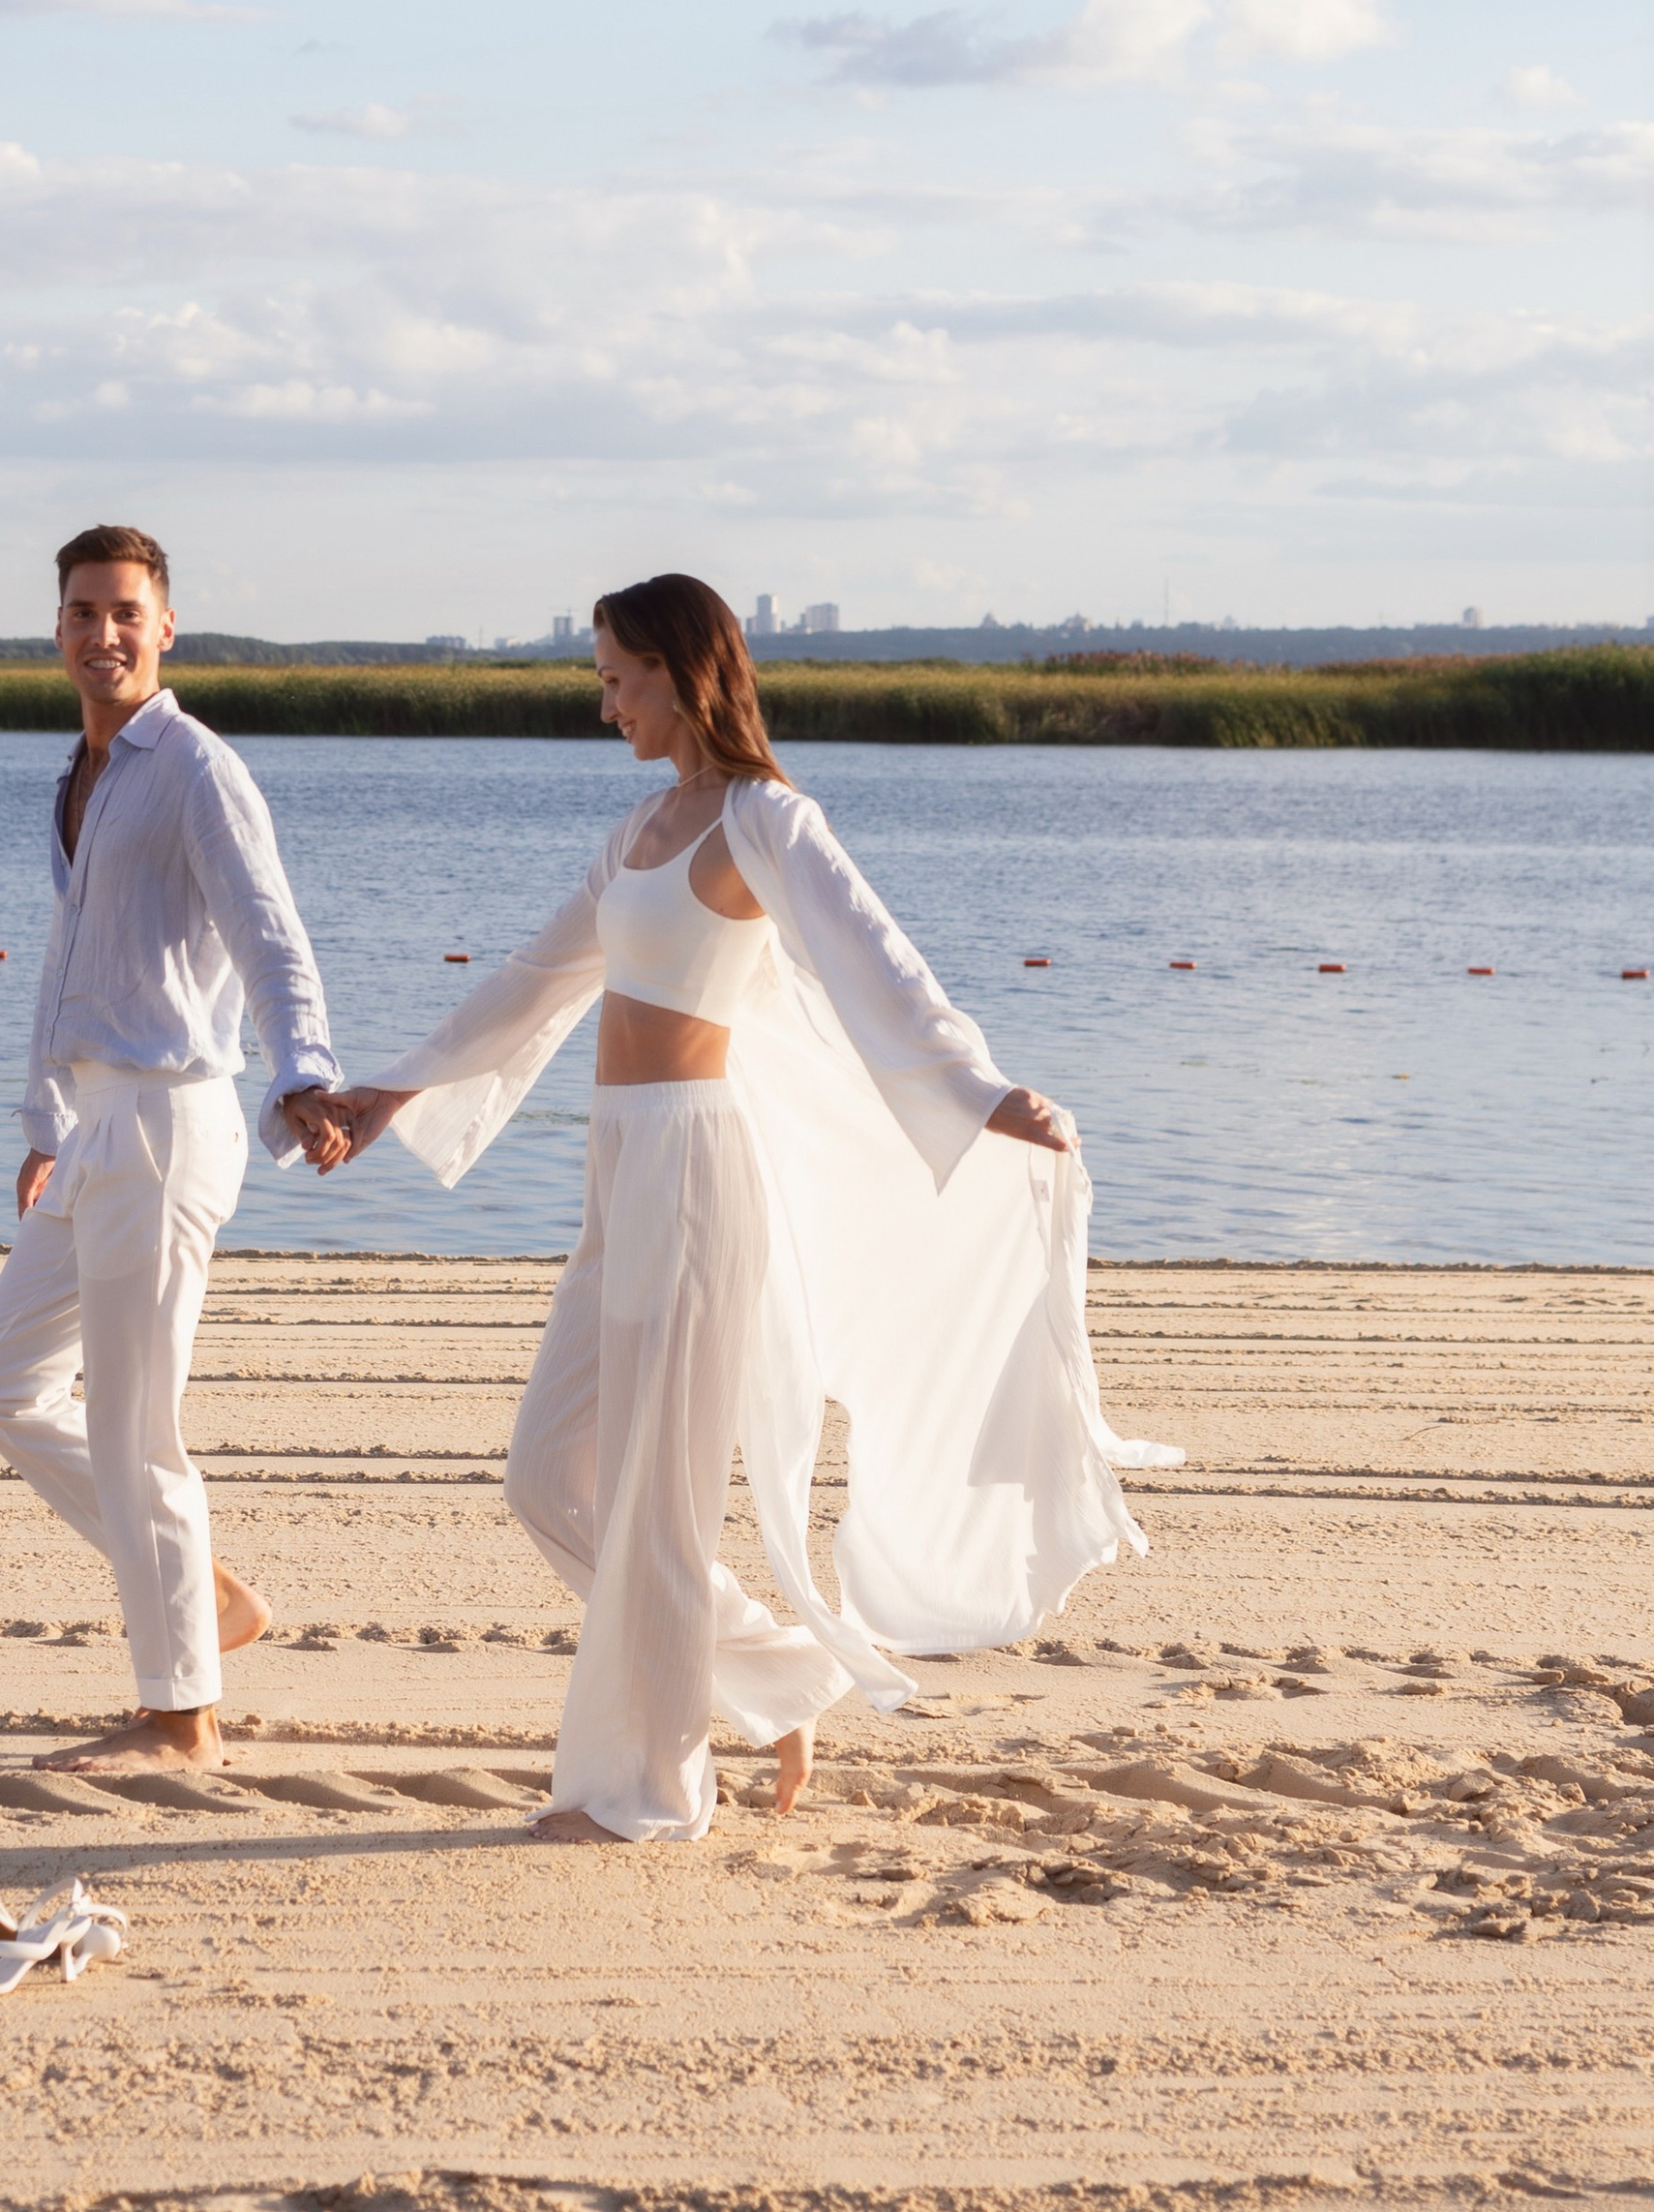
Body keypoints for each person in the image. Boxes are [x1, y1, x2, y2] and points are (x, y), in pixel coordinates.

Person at [325, 573, 1175, 1846]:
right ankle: (778, 1675)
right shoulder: (641, 830)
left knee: (658, 1496)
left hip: (696, 1170)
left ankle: (646, 1792)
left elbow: (875, 956)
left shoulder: (765, 821)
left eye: (616, 678)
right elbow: (538, 980)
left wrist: (979, 1090)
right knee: (550, 1476)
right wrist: (390, 1091)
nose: (605, 704)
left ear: (678, 670)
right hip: (617, 1170)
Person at [0, 523, 351, 1773]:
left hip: (175, 1122)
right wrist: (45, 1125)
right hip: (96, 1131)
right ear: (57, 629)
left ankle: (181, 1715)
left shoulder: (193, 768)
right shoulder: (84, 773)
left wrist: (309, 1075)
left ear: (166, 626)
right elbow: (71, 962)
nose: (103, 634)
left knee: (139, 1431)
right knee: (0, 1385)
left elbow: (272, 936)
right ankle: (209, 1599)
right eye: (82, 613)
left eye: (127, 612)